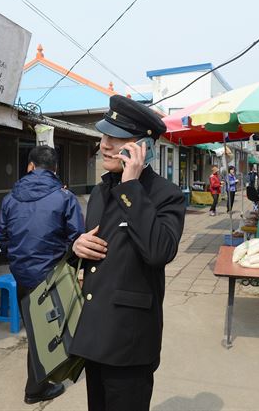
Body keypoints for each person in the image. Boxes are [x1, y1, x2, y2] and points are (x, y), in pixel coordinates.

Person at [70, 95, 186, 411]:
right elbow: (95, 248)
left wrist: (131, 185)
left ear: (141, 148)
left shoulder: (165, 195)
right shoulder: (100, 190)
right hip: (94, 330)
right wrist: (76, 247)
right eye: (104, 136)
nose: (104, 145)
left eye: (116, 138)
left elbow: (159, 251)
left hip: (129, 340)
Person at [0, 145, 84, 405]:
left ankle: (44, 380)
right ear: (55, 168)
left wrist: (17, 258)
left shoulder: (10, 198)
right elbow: (77, 238)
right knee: (48, 331)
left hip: (22, 274)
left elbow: (3, 237)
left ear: (30, 166)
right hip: (52, 274)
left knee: (38, 329)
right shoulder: (65, 197)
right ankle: (35, 389)